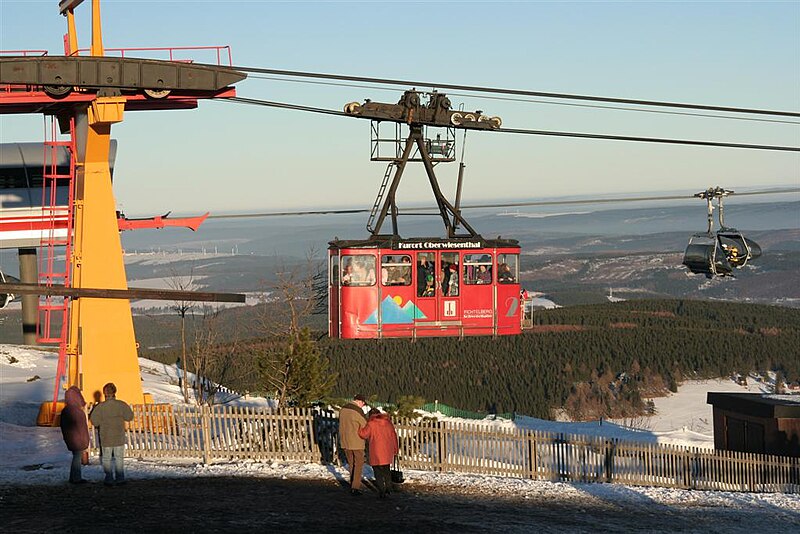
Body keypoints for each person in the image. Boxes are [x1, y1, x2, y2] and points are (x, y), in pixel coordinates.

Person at [90, 382, 134, 486]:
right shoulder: (121, 405)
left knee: (106, 458)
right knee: (119, 458)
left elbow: (94, 421)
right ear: (115, 392)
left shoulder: (100, 407)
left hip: (106, 437)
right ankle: (120, 478)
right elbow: (129, 417)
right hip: (119, 436)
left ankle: (109, 478)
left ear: (104, 393)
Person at [358, 408, 399, 499]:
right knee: (386, 470)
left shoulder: (371, 424)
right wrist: (396, 449)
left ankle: (382, 491)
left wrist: (359, 428)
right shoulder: (388, 423)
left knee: (377, 472)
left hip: (376, 451)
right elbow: (394, 437)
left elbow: (363, 434)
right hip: (387, 451)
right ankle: (389, 488)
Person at [339, 393, 368, 495]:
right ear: (360, 401)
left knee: (351, 463)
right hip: (356, 442)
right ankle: (355, 487)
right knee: (359, 464)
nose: (362, 406)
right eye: (363, 404)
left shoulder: (343, 409)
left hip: (345, 441)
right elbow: (365, 424)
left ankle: (352, 483)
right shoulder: (357, 411)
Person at [60, 386, 90, 484]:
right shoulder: (77, 411)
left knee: (75, 457)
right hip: (78, 439)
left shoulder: (66, 410)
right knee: (77, 458)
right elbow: (82, 428)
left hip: (71, 438)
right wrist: (85, 441)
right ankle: (76, 478)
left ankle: (74, 477)